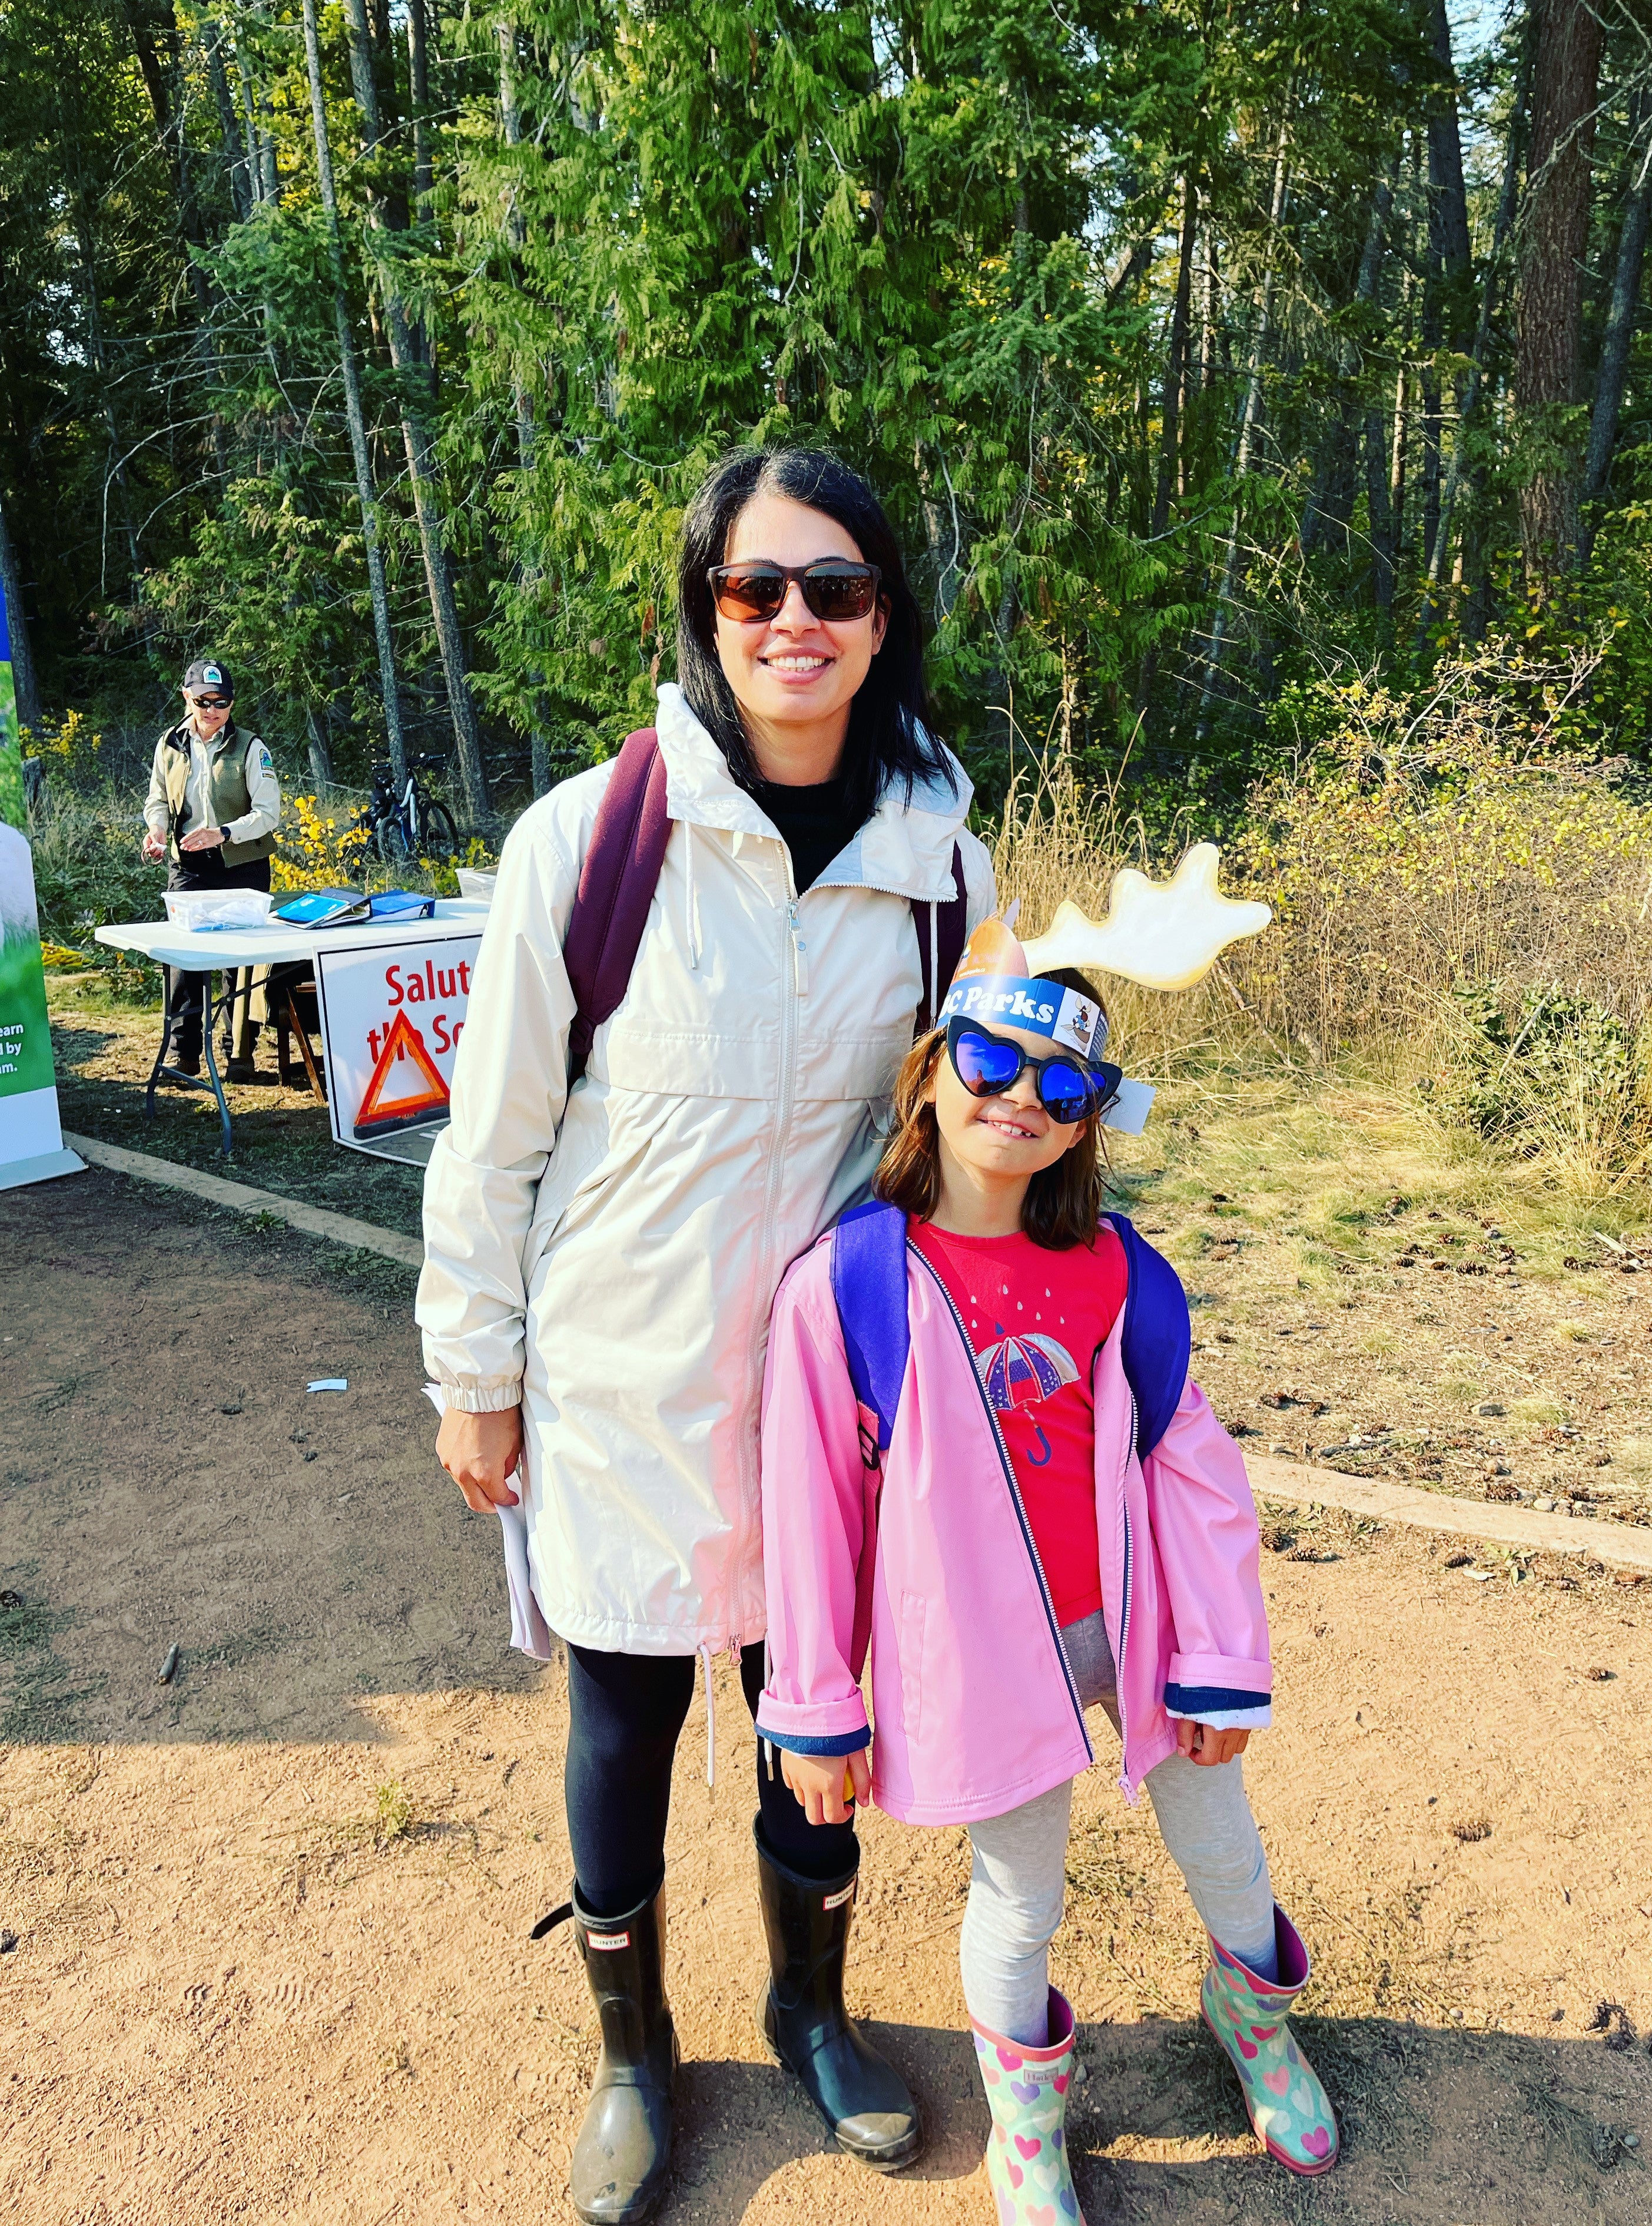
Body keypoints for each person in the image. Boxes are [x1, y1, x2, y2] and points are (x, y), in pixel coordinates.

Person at [418, 446, 996, 2223]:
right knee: (624, 1709)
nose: (797, 623)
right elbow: (496, 1133)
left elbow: (960, 1144)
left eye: (836, 589)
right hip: (623, 1391)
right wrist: (476, 1375)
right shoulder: (590, 842)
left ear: (884, 618)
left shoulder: (942, 867)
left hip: (829, 1416)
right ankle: (628, 2053)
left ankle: (809, 2013)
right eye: (760, 590)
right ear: (705, 613)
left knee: (807, 1712)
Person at [755, 920, 1341, 2216]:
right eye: (989, 1062)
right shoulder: (847, 1288)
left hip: (1129, 1629)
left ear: (1085, 1123)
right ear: (928, 1075)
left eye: (1059, 1088)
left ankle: (1253, 2022)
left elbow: (1196, 1481)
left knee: (1226, 1853)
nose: (1019, 1099)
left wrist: (1219, 1663)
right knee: (1020, 1895)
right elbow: (808, 1515)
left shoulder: (1122, 1275)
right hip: (976, 1649)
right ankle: (1028, 2122)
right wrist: (816, 1709)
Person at [142, 658, 281, 1082]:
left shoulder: (252, 747)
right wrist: (157, 832)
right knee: (184, 964)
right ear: (187, 697)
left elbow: (268, 813)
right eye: (203, 700)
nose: (212, 710)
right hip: (190, 867)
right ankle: (186, 1056)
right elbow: (157, 799)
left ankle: (239, 1057)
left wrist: (222, 833)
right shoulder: (169, 743)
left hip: (242, 864)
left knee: (240, 966)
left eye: (221, 702)